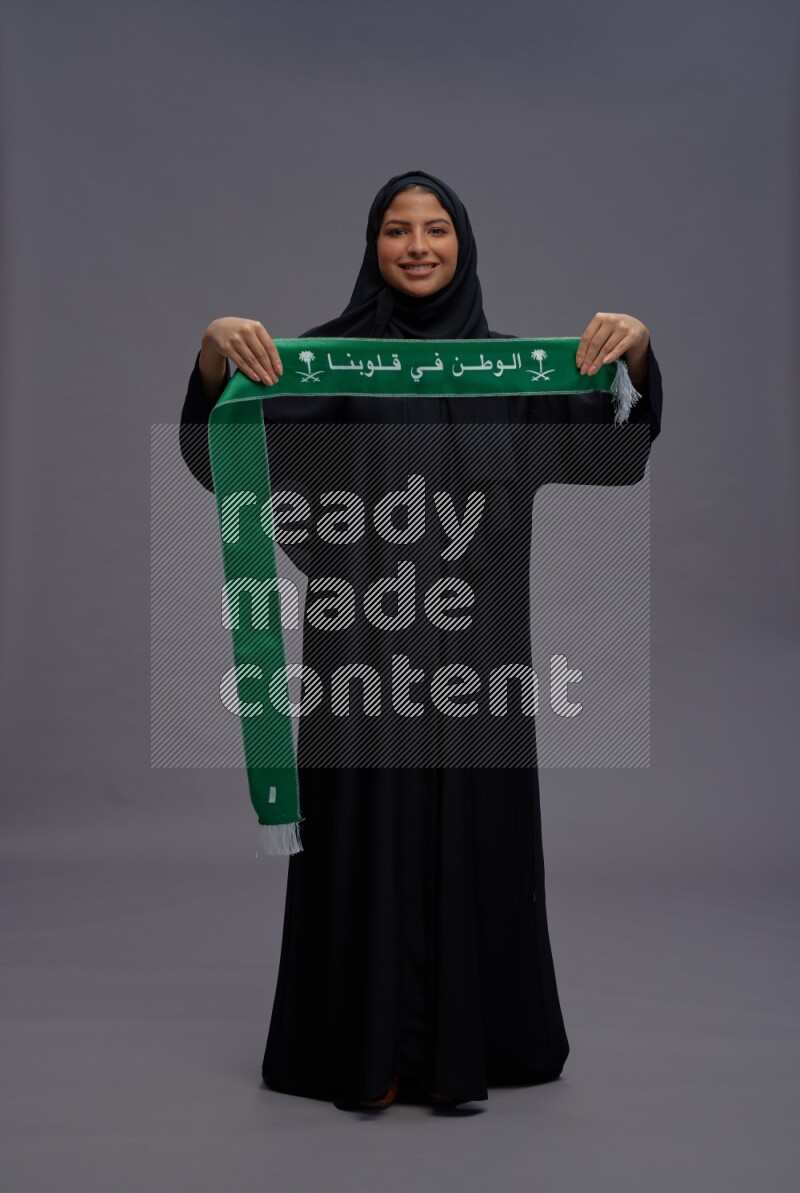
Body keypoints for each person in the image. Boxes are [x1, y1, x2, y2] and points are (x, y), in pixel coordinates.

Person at [179, 170, 663, 1111]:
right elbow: (221, 458)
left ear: (462, 243)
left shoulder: (511, 373)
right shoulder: (321, 365)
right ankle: (361, 1047)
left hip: (480, 661)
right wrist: (211, 363)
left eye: (435, 228)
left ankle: (472, 1044)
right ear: (373, 247)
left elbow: (614, 452)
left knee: (477, 841)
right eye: (396, 230)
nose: (417, 245)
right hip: (360, 655)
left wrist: (636, 361)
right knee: (364, 838)